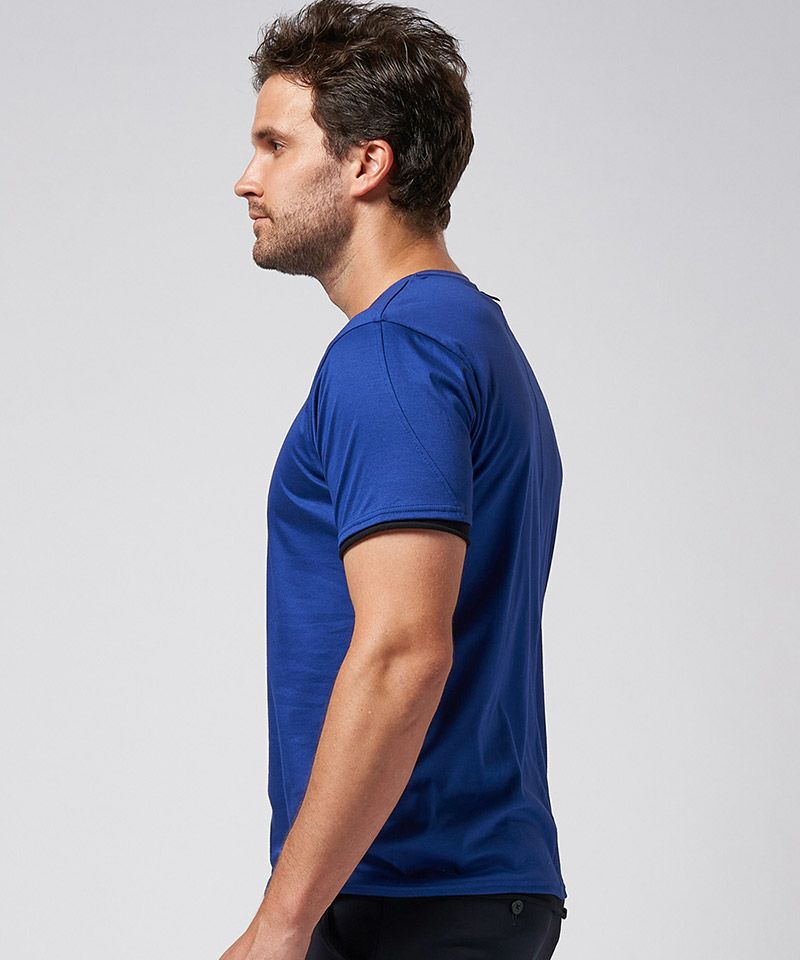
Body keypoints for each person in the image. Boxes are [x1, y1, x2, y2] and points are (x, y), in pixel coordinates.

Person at [223, 2, 568, 958]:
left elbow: (405, 650)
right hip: (458, 890)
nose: (246, 178)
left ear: (365, 163)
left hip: (407, 900)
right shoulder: (475, 338)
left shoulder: (390, 354)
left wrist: (281, 924)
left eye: (275, 145)